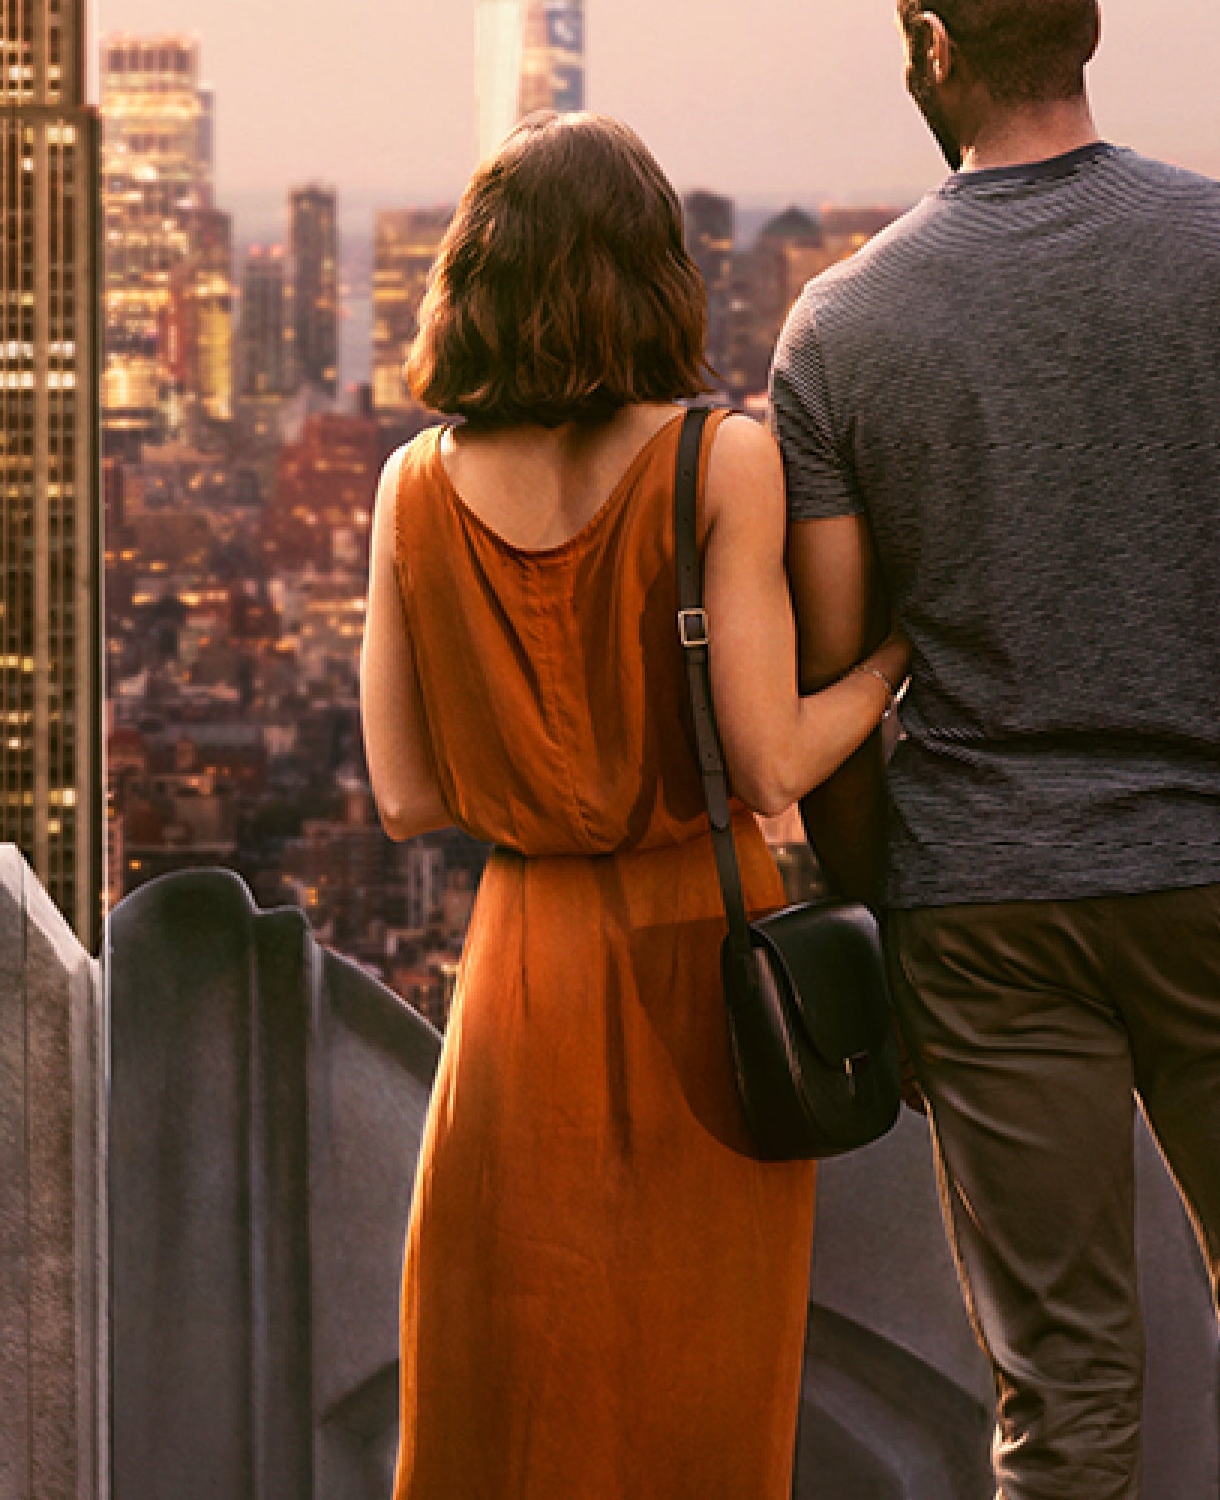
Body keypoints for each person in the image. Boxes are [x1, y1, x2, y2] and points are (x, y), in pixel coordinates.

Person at [771, 0, 1220, 1500]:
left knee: (1059, 1409)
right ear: (1086, 34)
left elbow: (839, 673)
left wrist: (890, 908)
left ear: (936, 50)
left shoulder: (840, 328)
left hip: (981, 906)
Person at [359, 112, 908, 1500]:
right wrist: (901, 659)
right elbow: (775, 762)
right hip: (702, 975)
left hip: (514, 984)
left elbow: (406, 792)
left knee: (511, 1403)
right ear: (655, 276)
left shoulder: (411, 488)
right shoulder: (719, 459)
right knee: (693, 1407)